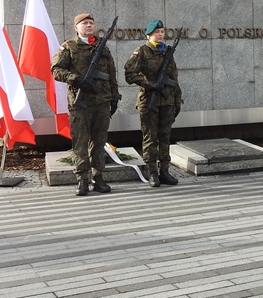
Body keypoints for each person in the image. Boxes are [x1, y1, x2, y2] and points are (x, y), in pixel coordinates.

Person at [51, 13, 120, 196]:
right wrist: (76, 79)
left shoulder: (102, 47)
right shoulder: (69, 47)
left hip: (102, 102)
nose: (89, 25)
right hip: (80, 103)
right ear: (76, 27)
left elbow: (111, 74)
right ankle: (82, 179)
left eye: (91, 23)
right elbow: (55, 70)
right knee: (80, 143)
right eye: (85, 23)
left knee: (99, 142)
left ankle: (98, 178)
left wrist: (114, 97)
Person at [125, 20, 183, 188]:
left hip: (167, 101)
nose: (160, 34)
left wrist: (177, 100)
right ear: (149, 35)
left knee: (165, 138)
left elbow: (174, 79)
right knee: (150, 138)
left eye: (162, 31)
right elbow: (130, 74)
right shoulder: (141, 51)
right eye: (157, 31)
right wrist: (150, 84)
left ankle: (164, 171)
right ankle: (152, 172)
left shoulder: (167, 52)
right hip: (148, 102)